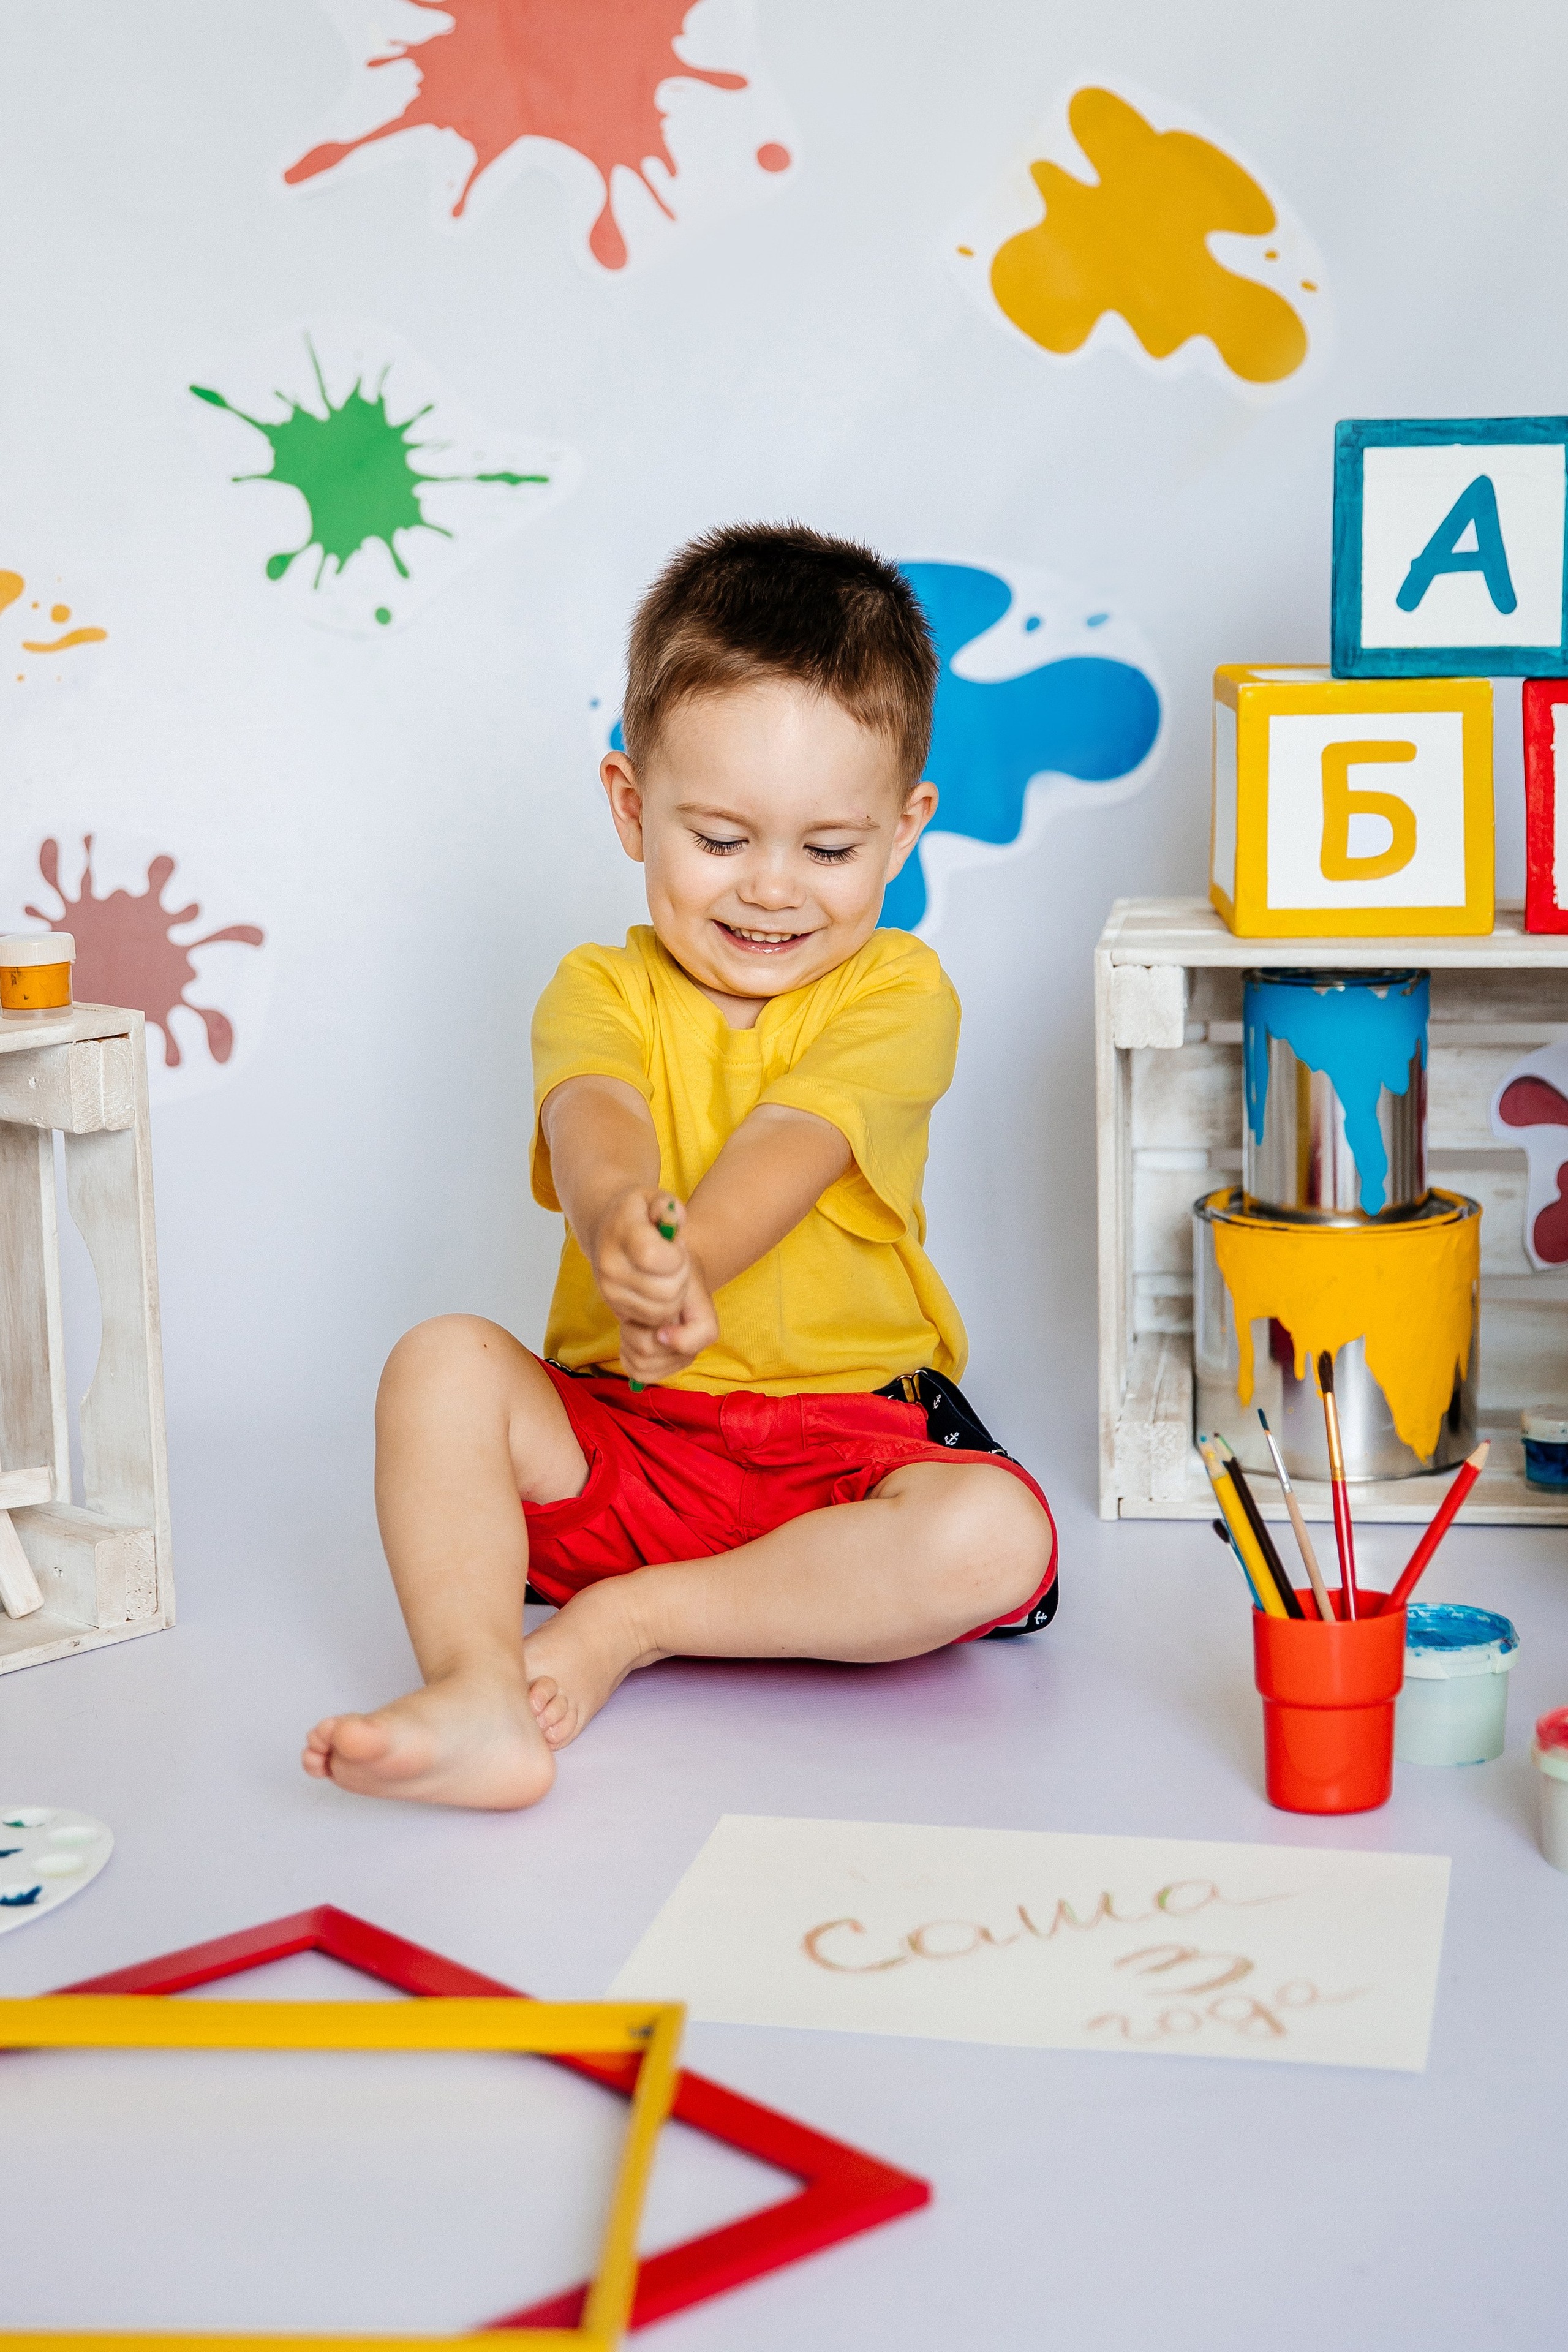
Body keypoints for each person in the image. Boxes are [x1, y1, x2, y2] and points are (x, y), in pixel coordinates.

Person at [303, 522, 1057, 1809]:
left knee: (997, 1538)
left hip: (842, 1455)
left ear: (901, 830)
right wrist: (623, 1235)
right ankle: (482, 1690)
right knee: (438, 1361)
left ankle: (634, 1622)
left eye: (827, 849)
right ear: (630, 806)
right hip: (629, 1447)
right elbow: (594, 1116)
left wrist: (692, 1259)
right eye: (719, 839)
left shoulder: (898, 991)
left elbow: (796, 1141)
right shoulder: (597, 986)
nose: (771, 891)